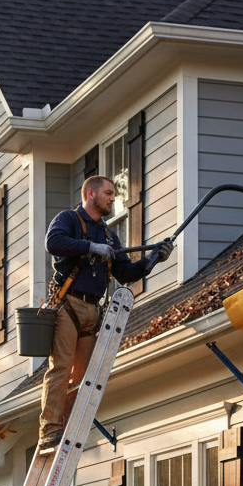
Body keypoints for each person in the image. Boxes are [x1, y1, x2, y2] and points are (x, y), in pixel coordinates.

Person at [38, 175, 173, 450]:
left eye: (113, 194)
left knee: (85, 375)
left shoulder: (110, 235)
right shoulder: (69, 220)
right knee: (61, 368)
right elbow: (53, 243)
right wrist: (90, 247)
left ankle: (68, 426)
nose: (113, 198)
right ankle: (50, 430)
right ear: (91, 193)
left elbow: (125, 273)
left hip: (91, 311)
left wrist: (154, 259)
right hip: (68, 304)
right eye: (109, 193)